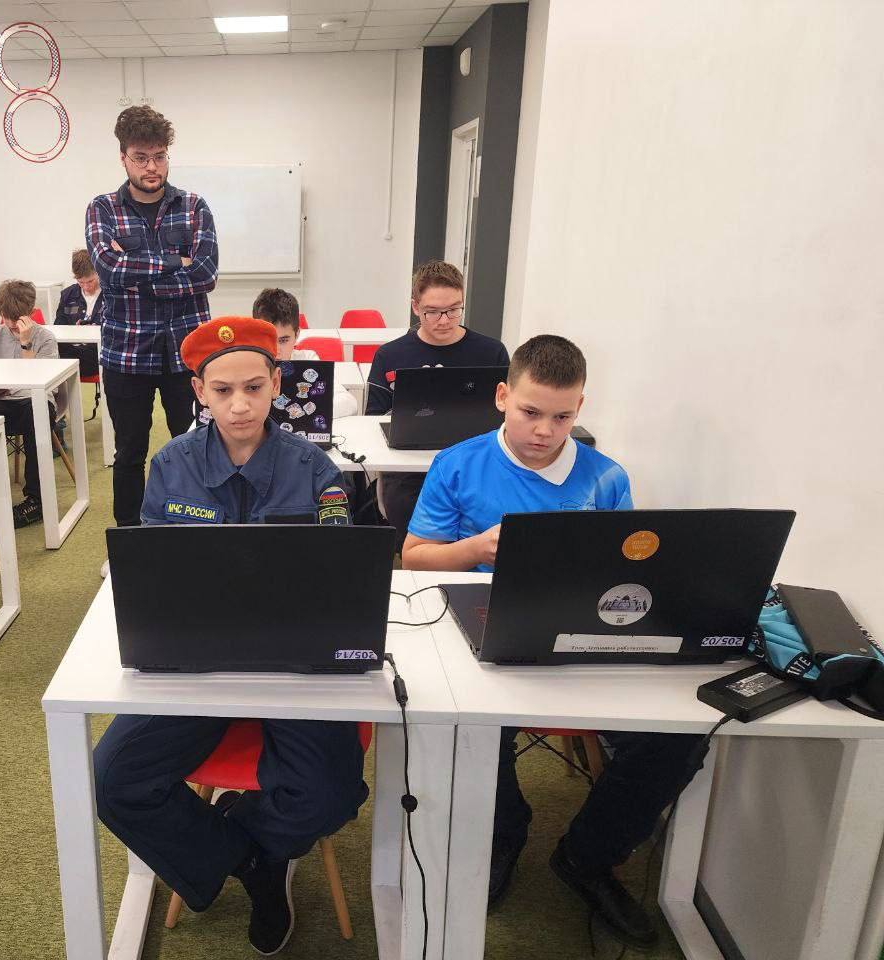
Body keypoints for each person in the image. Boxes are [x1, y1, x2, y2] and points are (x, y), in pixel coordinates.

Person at [401, 335, 699, 948]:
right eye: (530, 412)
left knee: (679, 736)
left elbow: (627, 572)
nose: (544, 430)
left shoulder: (605, 477)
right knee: (466, 723)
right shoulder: (457, 463)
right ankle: (504, 831)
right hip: (484, 627)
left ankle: (587, 856)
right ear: (502, 396)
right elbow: (414, 557)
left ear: (580, 408)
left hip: (584, 633)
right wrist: (474, 548)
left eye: (562, 417)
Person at [93, 317, 361, 956]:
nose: (239, 404)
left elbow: (342, 575)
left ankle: (244, 838)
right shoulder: (171, 465)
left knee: (329, 795)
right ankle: (252, 861)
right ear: (198, 391)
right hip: (197, 660)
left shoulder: (316, 469)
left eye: (253, 387)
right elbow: (154, 572)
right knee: (113, 779)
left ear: (277, 384)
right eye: (222, 390)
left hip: (294, 659)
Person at [86, 104, 219, 530]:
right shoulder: (103, 209)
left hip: (188, 353)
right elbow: (108, 270)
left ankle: (198, 531)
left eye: (159, 156)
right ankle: (129, 539)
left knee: (197, 445)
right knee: (129, 454)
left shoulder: (194, 206)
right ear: (123, 157)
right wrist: (176, 261)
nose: (151, 166)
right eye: (141, 157)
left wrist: (137, 275)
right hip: (126, 355)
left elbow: (206, 274)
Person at [366, 259, 509, 550]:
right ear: (415, 307)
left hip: (476, 468)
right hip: (409, 473)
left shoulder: (491, 353)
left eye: (454, 310)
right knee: (414, 533)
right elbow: (372, 420)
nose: (444, 320)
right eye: (432, 312)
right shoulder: (390, 355)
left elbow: (507, 414)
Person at [0, 279, 58, 530]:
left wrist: (25, 343)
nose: (10, 323)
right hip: (1, 400)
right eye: (5, 317)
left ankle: (36, 499)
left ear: (29, 312)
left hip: (35, 399)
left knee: (37, 416)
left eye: (15, 317)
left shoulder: (45, 338)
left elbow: (41, 384)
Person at [251, 287, 356, 419]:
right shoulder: (247, 362)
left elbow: (349, 403)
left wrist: (306, 411)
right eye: (269, 339)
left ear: (297, 335)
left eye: (283, 340)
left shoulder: (308, 359)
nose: (276, 350)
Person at [53, 248, 100, 379]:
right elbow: (58, 326)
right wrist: (74, 330)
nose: (86, 286)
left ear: (98, 272)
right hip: (69, 352)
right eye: (80, 282)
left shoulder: (110, 295)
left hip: (97, 352)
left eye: (90, 281)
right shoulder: (67, 295)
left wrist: (95, 330)